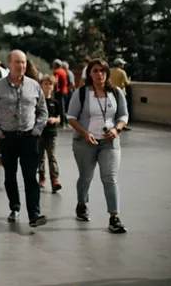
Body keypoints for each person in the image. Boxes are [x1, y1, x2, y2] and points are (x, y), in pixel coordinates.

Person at [0, 50, 49, 227]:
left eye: (24, 62)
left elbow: (43, 110)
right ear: (9, 64)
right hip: (7, 137)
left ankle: (34, 215)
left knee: (30, 177)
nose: (22, 66)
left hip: (29, 137)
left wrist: (37, 129)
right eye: (18, 62)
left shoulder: (34, 85)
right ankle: (14, 206)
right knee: (10, 176)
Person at [66, 57, 129, 234]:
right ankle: (81, 204)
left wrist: (116, 129)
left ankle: (114, 217)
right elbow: (71, 116)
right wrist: (85, 133)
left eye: (102, 70)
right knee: (86, 176)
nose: (99, 74)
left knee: (110, 177)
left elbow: (124, 115)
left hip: (109, 142)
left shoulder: (115, 92)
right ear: (90, 73)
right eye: (95, 70)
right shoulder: (81, 93)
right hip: (85, 142)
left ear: (107, 73)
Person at [37, 75, 64, 193]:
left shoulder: (55, 102)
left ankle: (55, 180)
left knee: (52, 156)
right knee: (40, 157)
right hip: (39, 133)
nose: (48, 86)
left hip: (51, 133)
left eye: (50, 84)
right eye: (45, 84)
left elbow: (60, 118)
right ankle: (41, 176)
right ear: (41, 86)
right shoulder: (37, 101)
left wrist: (54, 120)